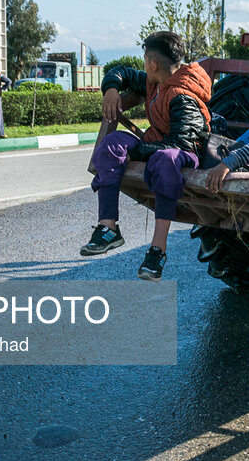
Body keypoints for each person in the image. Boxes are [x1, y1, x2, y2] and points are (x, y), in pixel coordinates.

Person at [81, 31, 212, 281]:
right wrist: (110, 89)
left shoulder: (184, 96)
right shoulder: (155, 81)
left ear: (153, 64)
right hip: (157, 146)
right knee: (112, 143)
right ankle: (109, 227)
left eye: (144, 60)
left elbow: (182, 143)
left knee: (165, 160)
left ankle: (157, 249)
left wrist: (138, 152)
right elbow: (122, 72)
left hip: (184, 154)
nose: (142, 65)